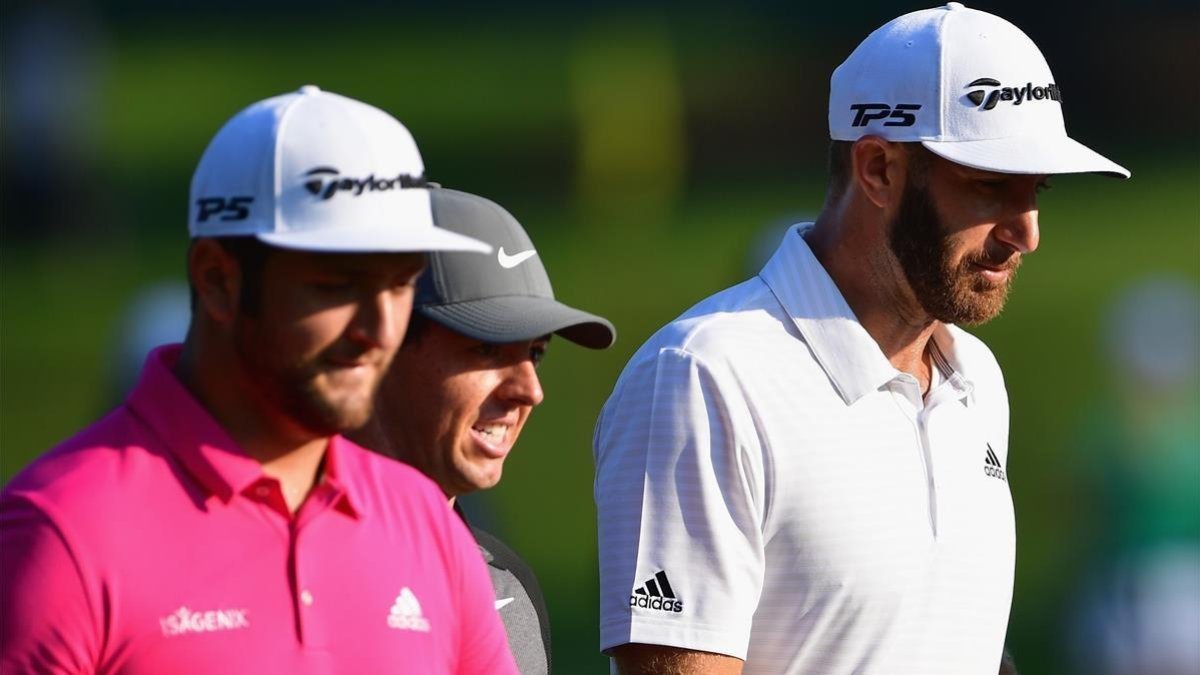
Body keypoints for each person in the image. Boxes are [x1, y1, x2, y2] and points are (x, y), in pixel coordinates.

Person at [593, 4, 1128, 674]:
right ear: (877, 168)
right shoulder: (703, 377)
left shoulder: (976, 381)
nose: (1028, 233)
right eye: (990, 187)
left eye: (1037, 190)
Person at [0, 86, 519, 675]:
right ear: (218, 280)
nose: (379, 330)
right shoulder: (62, 535)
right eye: (337, 284)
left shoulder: (424, 521)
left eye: (400, 284)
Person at [351, 187, 616, 675]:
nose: (530, 391)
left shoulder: (508, 585)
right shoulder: (274, 574)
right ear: (377, 347)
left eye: (535, 352)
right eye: (487, 350)